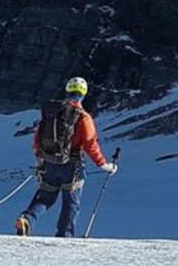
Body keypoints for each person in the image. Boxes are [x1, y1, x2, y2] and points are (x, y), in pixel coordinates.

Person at [15, 77, 117, 237]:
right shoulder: (83, 117)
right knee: (71, 204)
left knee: (45, 198)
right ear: (83, 94)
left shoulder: (52, 112)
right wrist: (104, 165)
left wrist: (40, 157)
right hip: (72, 166)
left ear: (67, 91)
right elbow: (90, 145)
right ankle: (64, 236)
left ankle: (26, 219)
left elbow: (38, 138)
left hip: (48, 162)